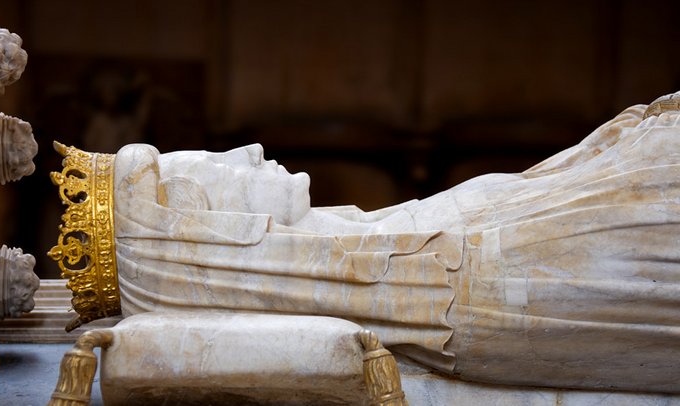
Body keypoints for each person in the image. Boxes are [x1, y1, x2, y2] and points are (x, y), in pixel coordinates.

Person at [56, 95, 680, 393]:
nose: (247, 151)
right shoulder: (454, 280)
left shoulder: (404, 243)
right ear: (209, 235)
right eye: (213, 166)